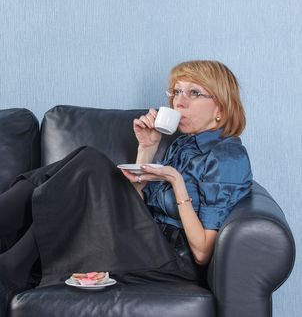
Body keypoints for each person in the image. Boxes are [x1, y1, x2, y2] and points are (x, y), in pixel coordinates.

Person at [0, 60, 252, 313]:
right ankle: (12, 265)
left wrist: (177, 183)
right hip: (142, 241)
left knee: (91, 161)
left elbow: (202, 253)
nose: (179, 102)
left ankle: (11, 262)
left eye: (194, 93)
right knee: (83, 163)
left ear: (220, 105)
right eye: (176, 92)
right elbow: (136, 207)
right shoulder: (182, 145)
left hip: (171, 261)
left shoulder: (227, 156)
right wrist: (147, 147)